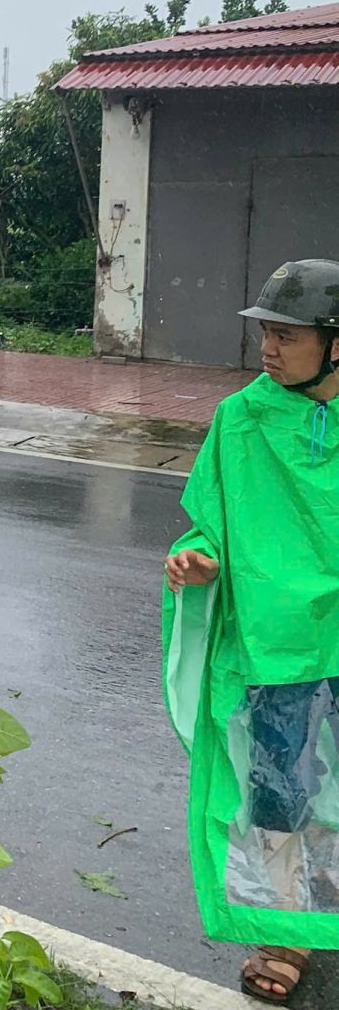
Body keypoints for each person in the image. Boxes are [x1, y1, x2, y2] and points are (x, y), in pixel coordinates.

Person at [165, 259, 339, 1002]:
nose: (269, 349)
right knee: (280, 797)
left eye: (288, 335)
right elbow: (208, 519)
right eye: (267, 332)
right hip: (275, 652)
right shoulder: (240, 420)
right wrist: (196, 558)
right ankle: (287, 938)